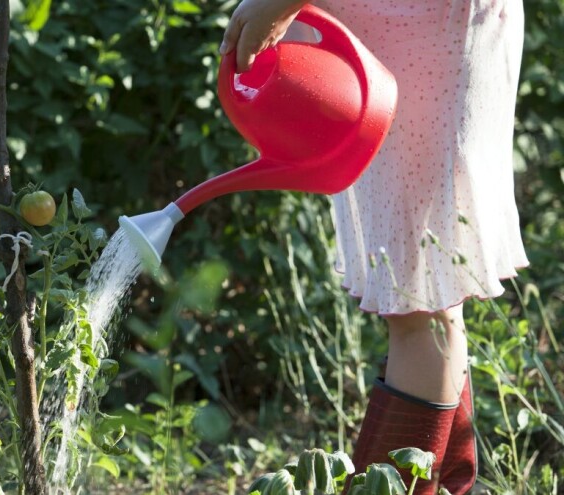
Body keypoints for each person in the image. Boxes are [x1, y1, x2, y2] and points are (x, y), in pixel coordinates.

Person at [220, 0, 528, 494]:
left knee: (418, 306)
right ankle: (445, 486)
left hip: (423, 26)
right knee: (422, 301)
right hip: (372, 31)